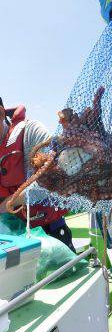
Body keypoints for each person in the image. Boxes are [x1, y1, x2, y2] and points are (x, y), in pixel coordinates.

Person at [0, 98, 75, 252]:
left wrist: (6, 205)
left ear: (1, 113)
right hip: (10, 241)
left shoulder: (31, 131)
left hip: (51, 234)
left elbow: (49, 182)